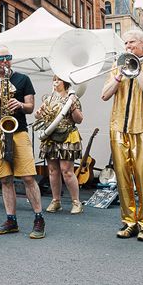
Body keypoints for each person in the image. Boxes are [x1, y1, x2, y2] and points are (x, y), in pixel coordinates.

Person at [0, 44, 45, 239]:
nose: (4, 61)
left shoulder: (22, 79)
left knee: (28, 177)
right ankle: (11, 220)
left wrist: (21, 104)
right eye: (0, 58)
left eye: (8, 57)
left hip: (18, 131)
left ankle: (39, 218)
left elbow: (30, 107)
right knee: (5, 179)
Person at [100, 30, 143, 241]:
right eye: (125, 43)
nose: (128, 46)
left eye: (132, 42)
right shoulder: (117, 66)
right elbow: (105, 95)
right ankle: (129, 222)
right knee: (123, 178)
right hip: (118, 127)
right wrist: (119, 74)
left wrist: (137, 71)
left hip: (142, 128)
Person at [38, 75, 84, 215]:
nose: (55, 82)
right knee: (52, 170)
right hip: (51, 136)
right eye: (54, 80)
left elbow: (79, 119)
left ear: (65, 83)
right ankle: (55, 201)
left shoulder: (73, 99)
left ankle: (76, 202)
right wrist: (39, 113)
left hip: (67, 136)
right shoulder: (48, 98)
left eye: (58, 80)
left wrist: (72, 107)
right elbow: (37, 115)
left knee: (67, 170)